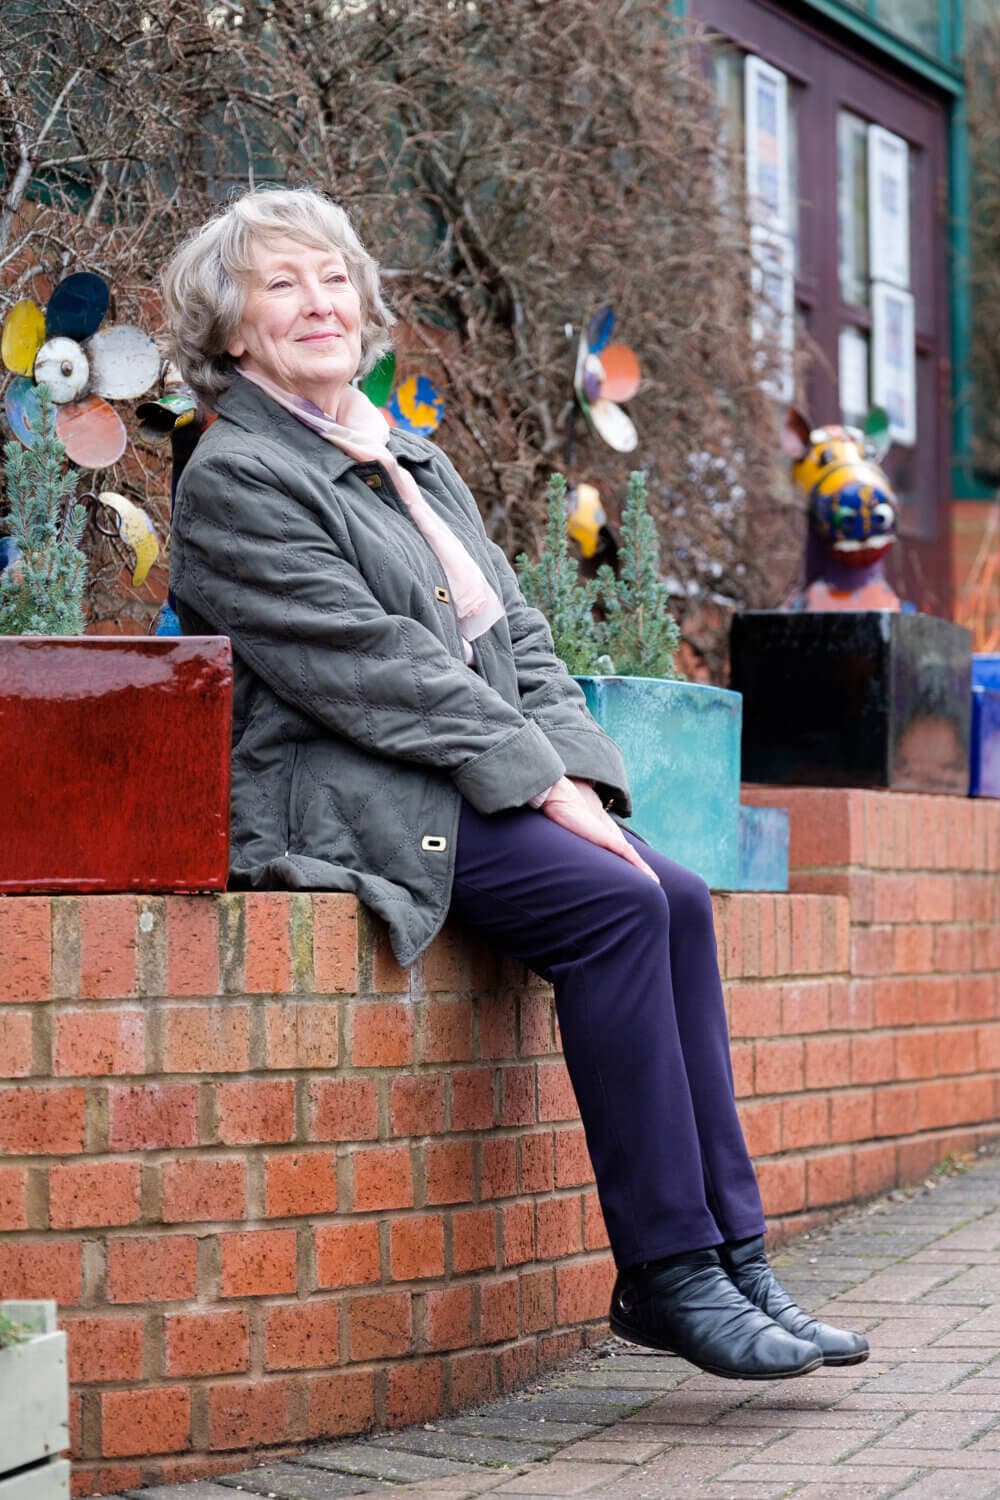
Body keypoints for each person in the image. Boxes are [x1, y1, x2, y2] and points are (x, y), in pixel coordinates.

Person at [162, 187, 868, 1382]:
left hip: (461, 771)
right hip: (351, 789)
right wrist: (544, 787)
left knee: (679, 897)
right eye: (279, 285)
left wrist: (577, 776)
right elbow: (371, 671)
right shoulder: (236, 478)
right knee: (614, 905)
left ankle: (736, 1255)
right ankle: (665, 1271)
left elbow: (522, 638)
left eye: (332, 277)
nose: (317, 303)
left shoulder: (408, 456)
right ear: (231, 332)